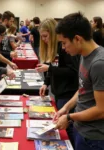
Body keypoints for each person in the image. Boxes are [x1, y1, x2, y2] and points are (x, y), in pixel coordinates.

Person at [54, 12, 104, 150]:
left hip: (94, 138)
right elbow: (83, 88)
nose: (63, 48)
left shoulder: (99, 63)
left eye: (64, 43)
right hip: (81, 129)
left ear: (77, 39)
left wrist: (70, 117)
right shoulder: (84, 55)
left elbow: (101, 110)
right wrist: (66, 107)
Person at [36, 18, 79, 147]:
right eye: (42, 37)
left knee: (67, 127)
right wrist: (45, 83)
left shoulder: (65, 48)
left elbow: (72, 71)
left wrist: (49, 68)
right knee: (61, 123)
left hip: (67, 92)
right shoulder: (52, 48)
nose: (43, 40)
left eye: (45, 36)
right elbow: (52, 67)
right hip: (58, 91)